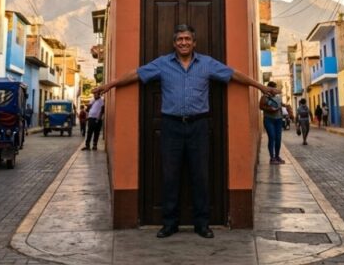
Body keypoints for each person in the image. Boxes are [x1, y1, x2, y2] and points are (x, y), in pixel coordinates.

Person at [93, 23, 278, 240]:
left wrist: (261, 87)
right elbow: (136, 74)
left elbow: (234, 74)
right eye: (180, 39)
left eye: (187, 39)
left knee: (200, 175)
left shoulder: (207, 64)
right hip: (171, 126)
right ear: (174, 43)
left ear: (194, 43)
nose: (184, 42)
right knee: (170, 175)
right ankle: (169, 224)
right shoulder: (162, 64)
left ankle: (202, 224)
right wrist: (109, 85)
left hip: (199, 126)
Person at [260, 81, 285, 164]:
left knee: (278, 139)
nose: (275, 90)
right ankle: (272, 158)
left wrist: (286, 107)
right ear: (269, 89)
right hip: (269, 119)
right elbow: (261, 106)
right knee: (272, 137)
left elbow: (280, 105)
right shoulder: (264, 97)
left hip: (279, 120)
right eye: (273, 88)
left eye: (275, 88)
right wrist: (269, 109)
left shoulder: (278, 97)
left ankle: (277, 156)